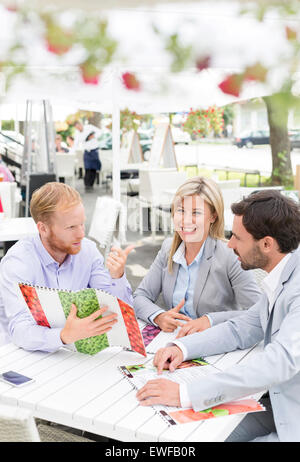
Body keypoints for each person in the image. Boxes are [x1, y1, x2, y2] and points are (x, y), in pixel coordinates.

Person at [137, 190, 300, 442]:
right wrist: (181, 347)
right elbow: (242, 327)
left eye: (236, 237)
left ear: (267, 244)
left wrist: (185, 393)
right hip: (279, 405)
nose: (231, 244)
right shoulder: (284, 274)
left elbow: (277, 363)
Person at [0, 182, 134, 352]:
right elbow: (19, 331)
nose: (81, 234)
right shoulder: (18, 263)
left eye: (82, 224)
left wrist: (117, 277)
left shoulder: (88, 251)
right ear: (43, 228)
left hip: (74, 351)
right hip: (22, 355)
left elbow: (117, 313)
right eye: (71, 227)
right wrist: (63, 336)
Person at [133, 177, 261, 336]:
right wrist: (159, 316)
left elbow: (258, 312)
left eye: (196, 212)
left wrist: (210, 320)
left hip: (216, 342)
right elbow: (140, 297)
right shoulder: (168, 249)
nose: (186, 220)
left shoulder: (230, 256)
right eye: (181, 211)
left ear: (213, 216)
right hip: (174, 341)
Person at [74, 120, 101, 191]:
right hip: (87, 151)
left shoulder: (90, 127)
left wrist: (93, 136)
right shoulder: (77, 133)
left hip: (94, 150)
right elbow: (75, 143)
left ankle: (91, 184)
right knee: (87, 168)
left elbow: (99, 132)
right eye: (77, 128)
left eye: (78, 127)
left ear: (80, 124)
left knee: (94, 168)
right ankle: (87, 185)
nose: (78, 129)